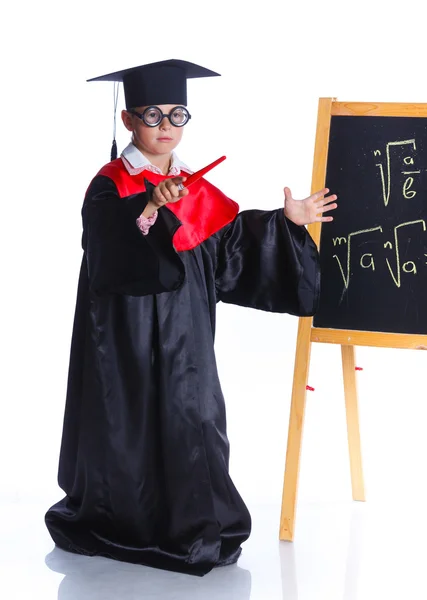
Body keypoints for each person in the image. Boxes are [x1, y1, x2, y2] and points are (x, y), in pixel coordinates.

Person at [44, 59, 337, 577]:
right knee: (128, 422)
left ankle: (190, 522)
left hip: (188, 338)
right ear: (128, 121)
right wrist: (150, 207)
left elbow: (231, 251)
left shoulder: (192, 185)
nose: (165, 127)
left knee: (193, 416)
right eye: (152, 115)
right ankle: (123, 523)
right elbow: (105, 247)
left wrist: (283, 223)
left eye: (177, 115)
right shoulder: (111, 184)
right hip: (124, 336)